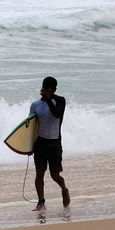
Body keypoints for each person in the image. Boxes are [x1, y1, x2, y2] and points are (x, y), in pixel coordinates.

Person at [30, 76, 70, 210]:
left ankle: (64, 189)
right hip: (40, 143)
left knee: (55, 175)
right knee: (39, 173)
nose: (47, 91)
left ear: (54, 90)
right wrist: (28, 146)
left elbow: (57, 114)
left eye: (50, 89)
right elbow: (30, 127)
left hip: (55, 143)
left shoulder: (60, 101)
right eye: (45, 89)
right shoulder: (35, 105)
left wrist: (48, 99)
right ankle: (41, 202)